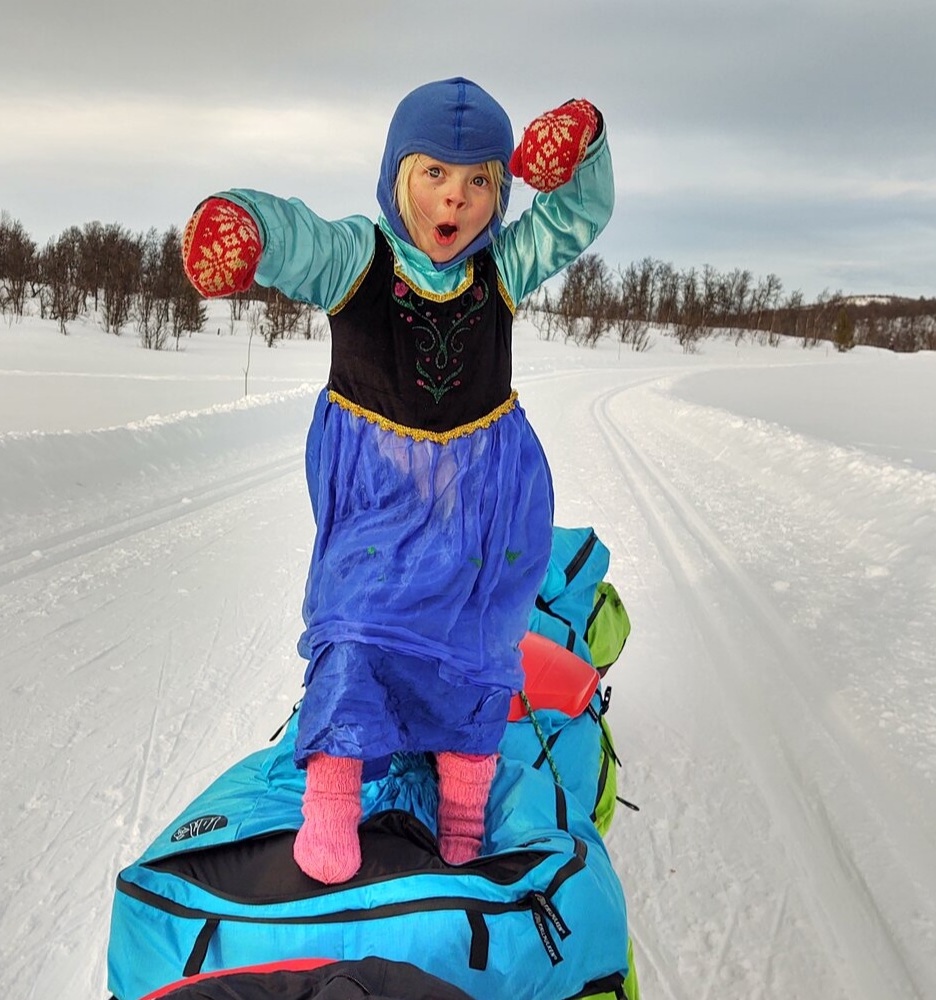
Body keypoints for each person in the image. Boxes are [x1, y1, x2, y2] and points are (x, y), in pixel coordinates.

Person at [180, 77, 613, 884]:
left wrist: (584, 149)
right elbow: (296, 235)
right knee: (357, 627)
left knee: (475, 645)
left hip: (482, 503)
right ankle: (333, 806)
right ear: (397, 175)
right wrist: (245, 226)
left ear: (500, 189)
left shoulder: (503, 269)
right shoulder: (359, 256)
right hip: (379, 503)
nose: (457, 198)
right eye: (435, 175)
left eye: (479, 179)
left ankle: (461, 815)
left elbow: (574, 220)